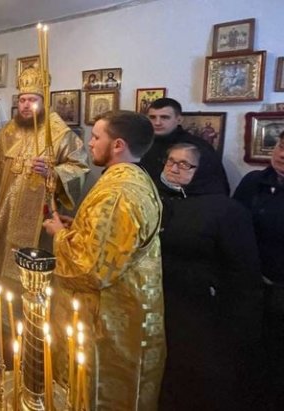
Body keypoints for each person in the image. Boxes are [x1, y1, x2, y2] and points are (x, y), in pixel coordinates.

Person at [43, 110, 165, 410]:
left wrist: (59, 235)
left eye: (97, 137)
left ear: (118, 145)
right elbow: (111, 242)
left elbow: (92, 268)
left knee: (95, 397)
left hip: (107, 325)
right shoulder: (136, 179)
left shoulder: (118, 193)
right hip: (127, 312)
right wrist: (79, 227)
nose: (90, 142)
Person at [156, 143, 263, 410]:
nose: (174, 169)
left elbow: (242, 271)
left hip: (205, 314)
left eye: (184, 164)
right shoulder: (158, 200)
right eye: (170, 161)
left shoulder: (226, 210)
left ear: (204, 171)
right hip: (164, 306)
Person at [0, 67, 89, 286]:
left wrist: (54, 172)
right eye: (22, 99)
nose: (25, 104)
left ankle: (30, 307)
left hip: (39, 217)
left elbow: (80, 167)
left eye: (31, 99)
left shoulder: (59, 133)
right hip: (6, 209)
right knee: (0, 257)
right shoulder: (8, 131)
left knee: (31, 266)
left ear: (43, 102)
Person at [233, 129, 284, 410]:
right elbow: (235, 226)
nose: (282, 154)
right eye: (280, 145)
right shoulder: (254, 181)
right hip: (253, 285)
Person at [141, 97, 229, 193]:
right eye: (152, 117)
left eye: (164, 117)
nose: (157, 123)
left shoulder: (197, 147)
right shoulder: (142, 144)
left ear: (179, 120)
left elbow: (217, 185)